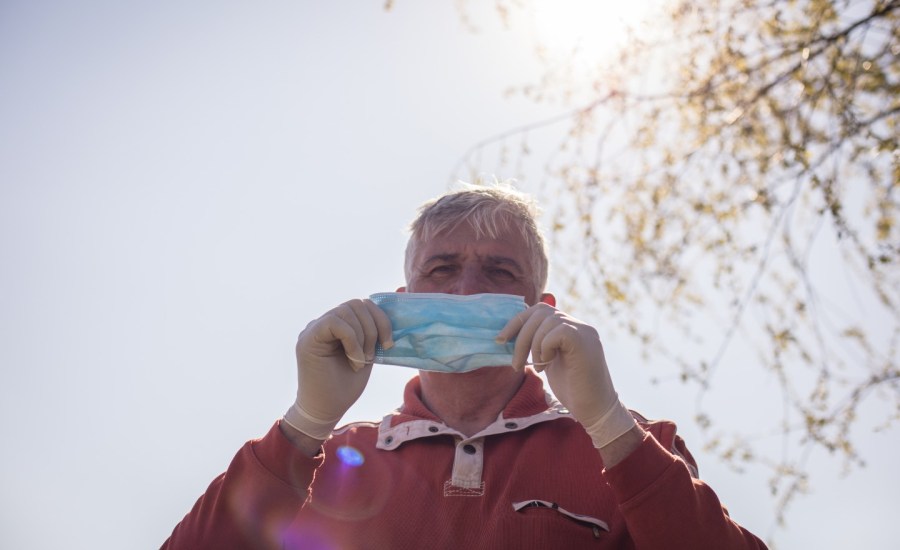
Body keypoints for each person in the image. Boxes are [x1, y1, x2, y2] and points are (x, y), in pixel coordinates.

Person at [162, 184, 768, 549]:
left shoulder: (636, 447)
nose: (463, 292)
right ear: (403, 299)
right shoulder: (334, 459)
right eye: (441, 270)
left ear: (543, 309)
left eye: (500, 273)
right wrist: (305, 422)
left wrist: (609, 424)